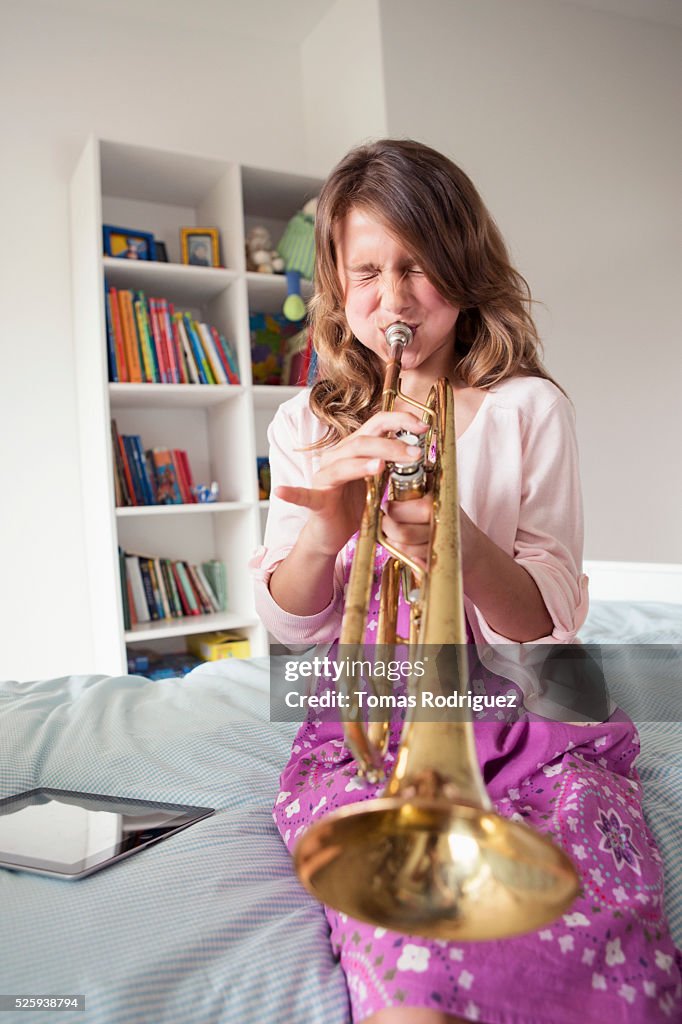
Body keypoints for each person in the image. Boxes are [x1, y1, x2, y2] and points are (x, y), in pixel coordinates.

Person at [250, 140, 681, 1024]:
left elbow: (549, 621)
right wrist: (327, 530)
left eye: (419, 265)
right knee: (407, 924)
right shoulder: (305, 422)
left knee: (585, 908)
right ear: (336, 283)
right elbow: (293, 630)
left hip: (530, 709)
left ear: (464, 266)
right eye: (367, 271)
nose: (395, 298)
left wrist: (461, 541)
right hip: (370, 715)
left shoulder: (528, 408)